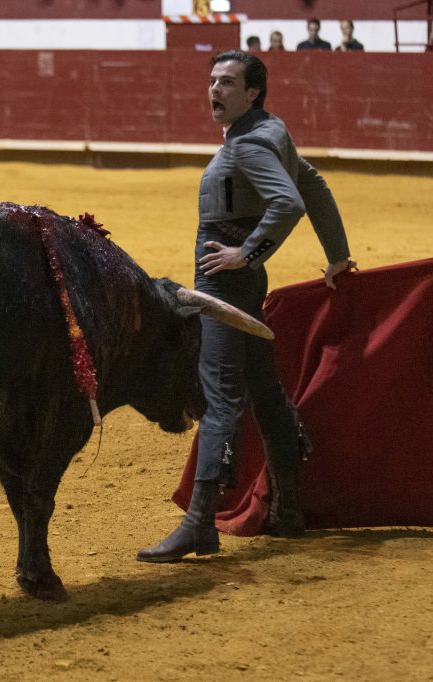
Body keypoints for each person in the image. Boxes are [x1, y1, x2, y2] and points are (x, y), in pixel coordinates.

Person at [136, 50, 353, 563]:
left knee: (220, 394)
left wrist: (245, 252)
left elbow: (290, 202)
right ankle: (289, 510)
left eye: (228, 83)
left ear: (253, 92)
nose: (215, 90)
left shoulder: (249, 145)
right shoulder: (270, 129)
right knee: (263, 388)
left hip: (225, 282)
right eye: (212, 80)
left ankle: (199, 525)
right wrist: (337, 255)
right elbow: (313, 185)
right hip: (243, 282)